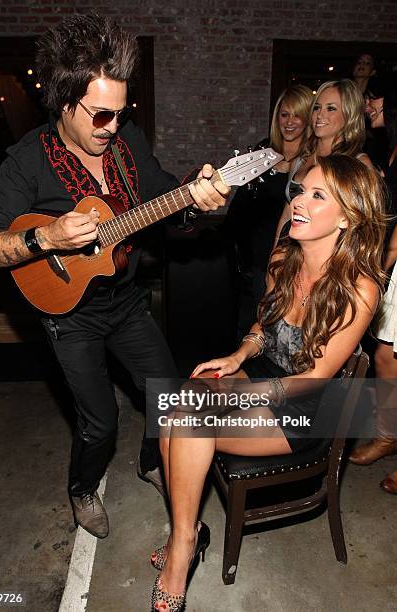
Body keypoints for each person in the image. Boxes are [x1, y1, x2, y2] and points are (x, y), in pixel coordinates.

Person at [0, 15, 230, 539]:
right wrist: (45, 240)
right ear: (65, 105)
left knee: (166, 394)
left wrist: (195, 203)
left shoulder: (126, 138)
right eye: (100, 115)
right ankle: (83, 489)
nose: (112, 125)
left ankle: (154, 461)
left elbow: (163, 196)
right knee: (101, 422)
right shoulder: (28, 161)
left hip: (126, 301)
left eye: (119, 112)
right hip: (69, 314)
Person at [150, 155, 386, 611]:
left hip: (307, 407)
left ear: (348, 217)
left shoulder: (360, 288)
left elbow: (315, 379)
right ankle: (189, 531)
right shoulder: (284, 255)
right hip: (263, 377)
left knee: (192, 425)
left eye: (318, 196)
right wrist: (238, 355)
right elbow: (263, 330)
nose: (299, 201)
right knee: (177, 406)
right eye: (301, 190)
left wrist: (239, 394)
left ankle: (181, 552)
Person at [225, 85, 313, 337]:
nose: (289, 122)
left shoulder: (310, 163)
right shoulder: (263, 153)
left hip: (282, 261)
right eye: (284, 114)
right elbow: (241, 203)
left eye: (297, 115)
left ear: (308, 119)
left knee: (271, 332)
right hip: (248, 261)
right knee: (245, 329)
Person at [349, 76, 397, 493]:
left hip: (394, 259)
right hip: (390, 259)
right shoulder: (388, 143)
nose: (368, 104)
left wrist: (383, 264)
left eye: (375, 96)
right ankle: (388, 435)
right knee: (385, 356)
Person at [274, 79, 374, 243]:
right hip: (291, 256)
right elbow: (286, 217)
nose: (320, 115)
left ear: (349, 115)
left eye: (331, 109)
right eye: (317, 108)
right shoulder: (301, 160)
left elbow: (366, 228)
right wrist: (274, 259)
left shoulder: (358, 164)